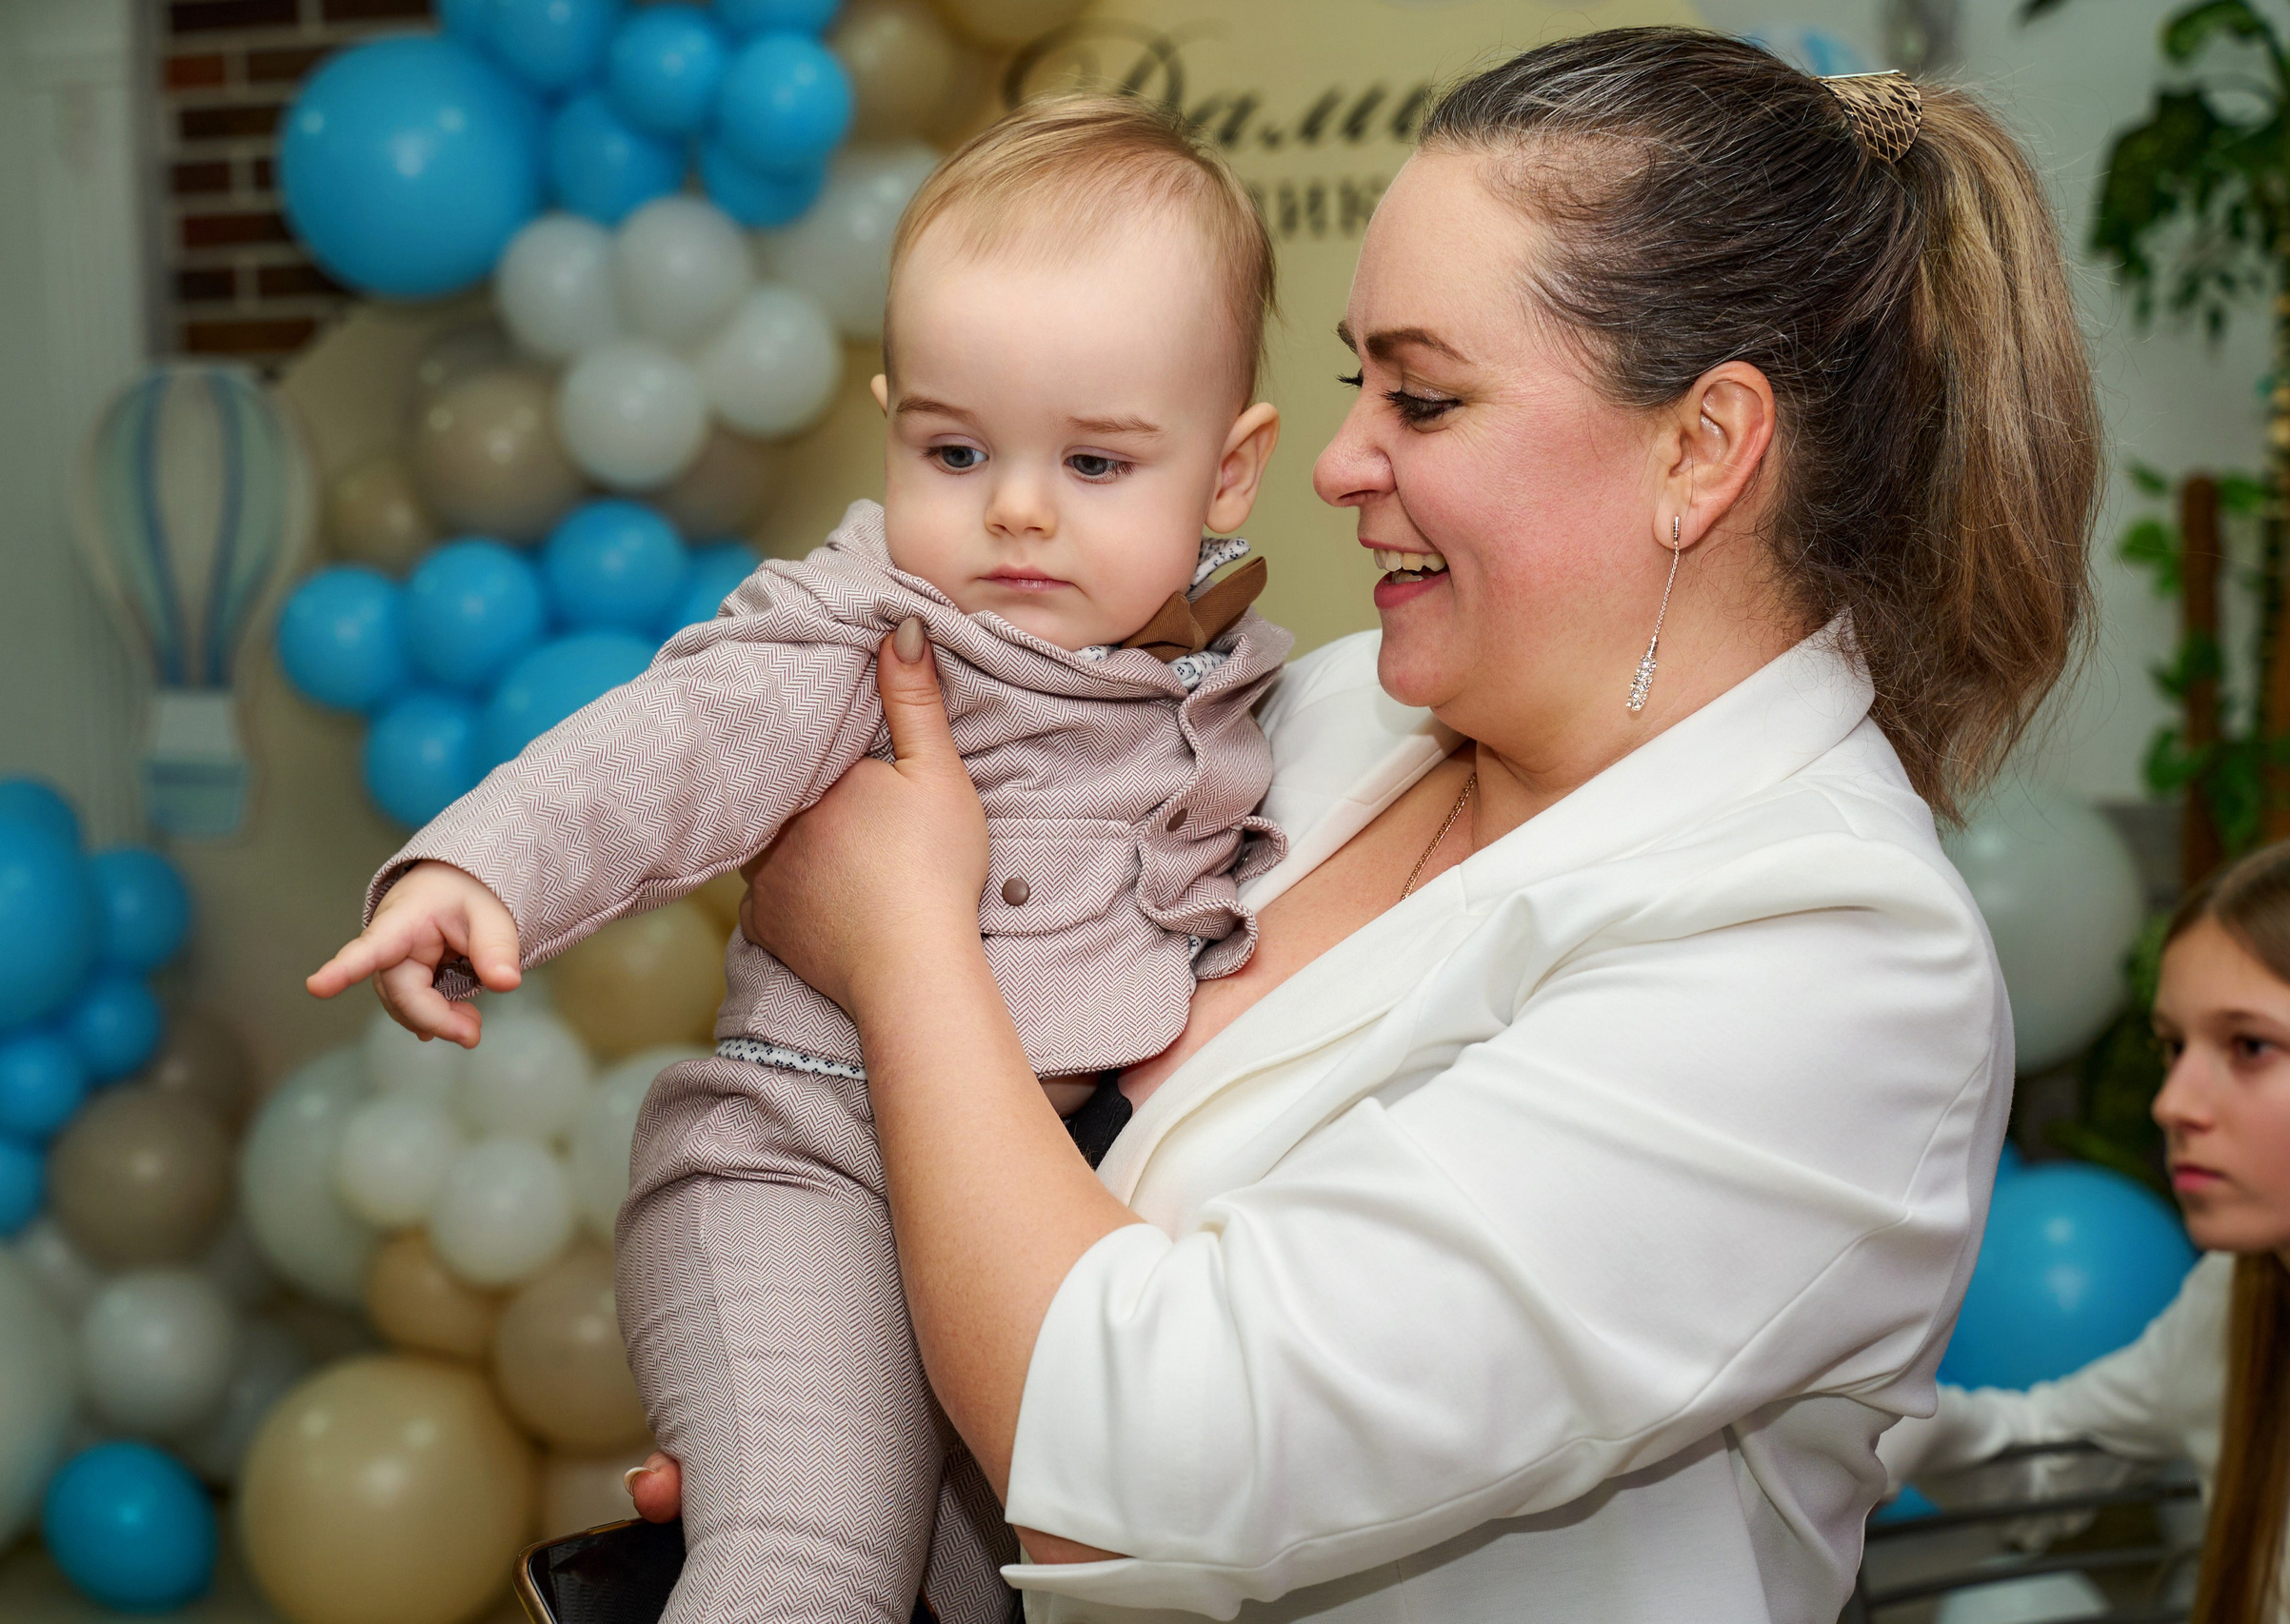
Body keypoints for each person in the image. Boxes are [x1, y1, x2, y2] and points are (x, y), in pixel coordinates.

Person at [633, 27, 2107, 1624]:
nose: (1336, 463)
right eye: (1355, 383)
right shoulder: (1313, 715)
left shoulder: (1831, 960)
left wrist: (903, 934)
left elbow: (1149, 1462)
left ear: (1701, 449)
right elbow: (979, 1192)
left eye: (1425, 396)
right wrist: (822, 1433)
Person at [307, 97, 1293, 1624]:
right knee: (815, 1558)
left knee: (996, 1589)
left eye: (1096, 464)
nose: (1016, 508)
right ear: (891, 422)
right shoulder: (870, 632)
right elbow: (676, 741)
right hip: (799, 1169)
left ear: (1229, 475)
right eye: (955, 449)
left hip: (1010, 1218)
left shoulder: (1250, 684)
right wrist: (481, 869)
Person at [1882, 842, 2290, 1623]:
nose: (2174, 1102)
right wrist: (1912, 1429)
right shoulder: (2233, 1299)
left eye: (2249, 1046)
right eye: (2173, 1046)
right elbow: (2053, 1454)